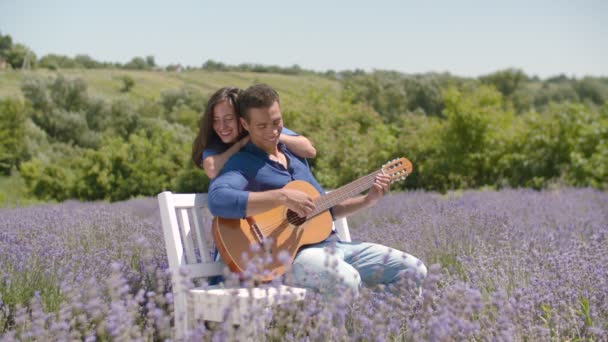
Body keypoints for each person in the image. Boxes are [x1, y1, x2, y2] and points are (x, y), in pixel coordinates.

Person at [208, 84, 427, 295]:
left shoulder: (295, 157)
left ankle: (380, 329)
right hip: (292, 258)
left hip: (336, 246)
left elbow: (325, 209)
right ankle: (336, 334)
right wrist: (281, 197)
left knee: (413, 270)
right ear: (245, 125)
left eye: (276, 122)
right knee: (345, 280)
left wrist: (367, 200)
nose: (272, 131)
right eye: (262, 126)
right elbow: (218, 199)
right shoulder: (243, 163)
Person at [192, 87, 316, 179]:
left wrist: (270, 135)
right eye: (215, 120)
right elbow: (212, 169)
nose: (222, 126)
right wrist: (241, 143)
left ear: (243, 120)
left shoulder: (265, 128)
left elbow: (309, 151)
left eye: (229, 119)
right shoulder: (214, 145)